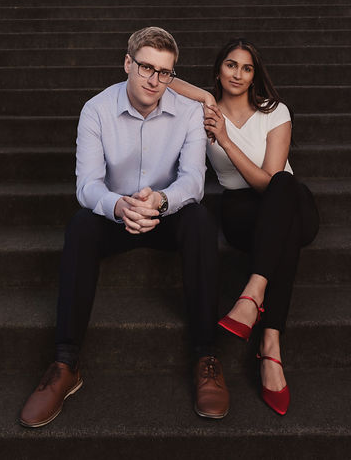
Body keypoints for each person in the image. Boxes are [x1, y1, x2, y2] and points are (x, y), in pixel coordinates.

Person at [19, 26, 229, 427]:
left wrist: (161, 201)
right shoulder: (96, 110)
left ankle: (206, 356)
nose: (155, 80)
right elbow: (87, 185)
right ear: (127, 64)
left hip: (165, 213)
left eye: (165, 72)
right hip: (114, 216)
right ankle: (65, 365)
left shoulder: (187, 113)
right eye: (146, 68)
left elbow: (193, 182)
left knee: (200, 219)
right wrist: (118, 207)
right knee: (81, 226)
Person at [171, 38, 319, 416]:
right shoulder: (204, 109)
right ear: (219, 69)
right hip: (240, 212)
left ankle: (252, 293)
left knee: (283, 185)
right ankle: (270, 344)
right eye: (231, 65)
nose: (238, 74)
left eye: (247, 68)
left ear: (255, 76)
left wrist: (223, 137)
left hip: (286, 201)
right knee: (281, 233)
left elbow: (268, 182)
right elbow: (166, 78)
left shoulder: (276, 111)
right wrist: (206, 101)